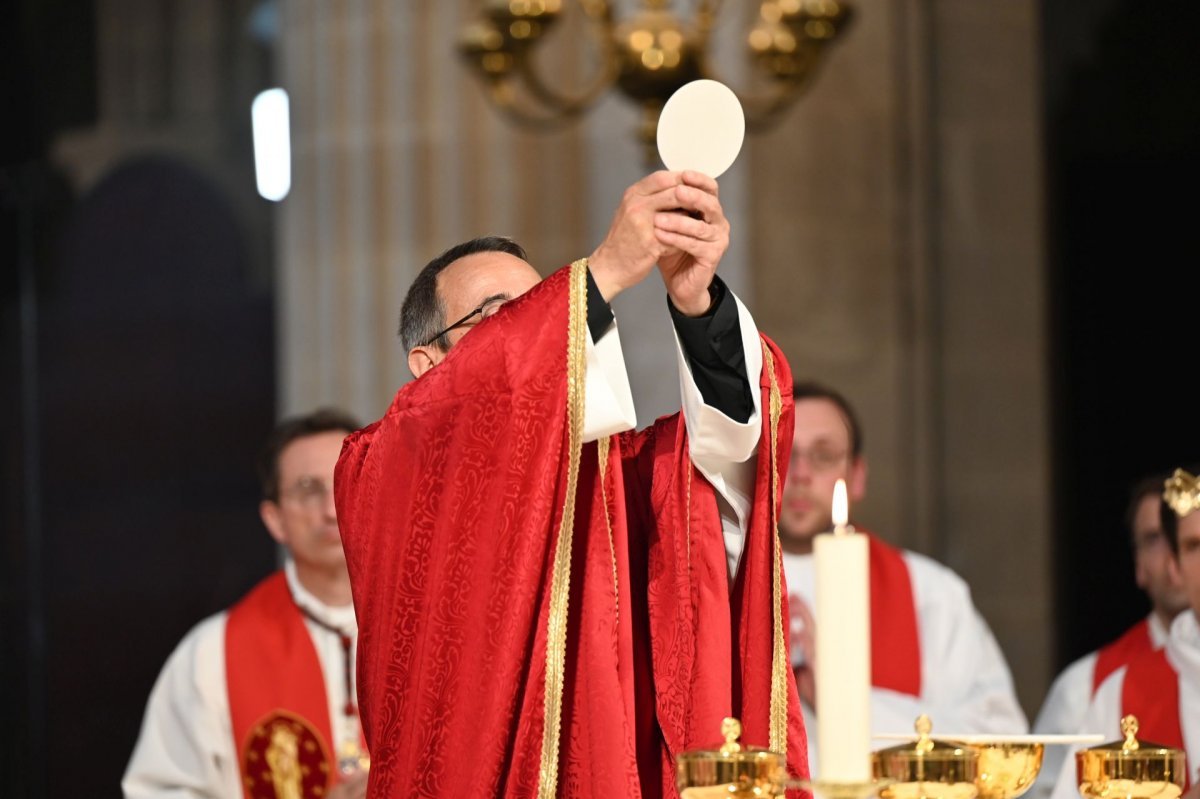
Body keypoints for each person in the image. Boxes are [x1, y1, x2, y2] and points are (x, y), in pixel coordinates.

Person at [334, 170, 808, 798]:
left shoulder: (617, 482)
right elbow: (466, 413)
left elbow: (715, 467)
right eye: (505, 318)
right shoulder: (382, 466)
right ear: (428, 366)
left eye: (547, 308)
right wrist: (604, 271)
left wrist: (698, 307)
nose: (547, 330)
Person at [778, 381, 1027, 769]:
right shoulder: (722, 588)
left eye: (824, 456)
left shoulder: (930, 593)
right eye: (784, 453)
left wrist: (846, 702)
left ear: (858, 475)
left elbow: (1000, 746)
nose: (801, 474)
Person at [123, 409, 369, 799]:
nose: (331, 507)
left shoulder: (440, 633)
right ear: (275, 520)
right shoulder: (211, 654)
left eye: (347, 479)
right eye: (308, 488)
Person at [1031, 474, 1189, 798]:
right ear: (1138, 565)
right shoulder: (1089, 686)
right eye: (1157, 538)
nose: (1174, 556)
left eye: (1192, 541)